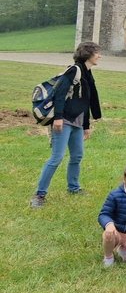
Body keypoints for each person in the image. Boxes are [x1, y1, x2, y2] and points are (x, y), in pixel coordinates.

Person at [32, 41, 103, 208]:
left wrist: (86, 125)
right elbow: (60, 93)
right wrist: (57, 117)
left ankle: (74, 188)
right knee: (56, 157)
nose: (100, 56)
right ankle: (39, 195)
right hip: (63, 120)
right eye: (97, 53)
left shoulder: (88, 72)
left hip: (77, 122)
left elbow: (86, 101)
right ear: (88, 54)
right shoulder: (74, 70)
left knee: (77, 156)